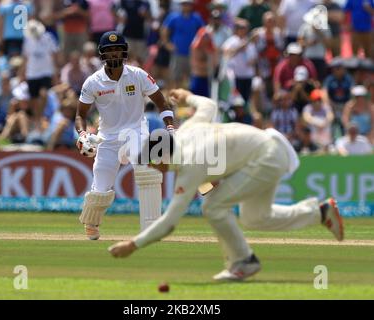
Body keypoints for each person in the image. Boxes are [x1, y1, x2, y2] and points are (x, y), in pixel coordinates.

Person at [108, 88, 344, 281]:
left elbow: (169, 222)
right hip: (267, 150)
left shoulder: (190, 166)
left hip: (266, 157)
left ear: (162, 156)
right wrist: (187, 96)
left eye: (152, 163)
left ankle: (244, 262)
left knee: (212, 207)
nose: (152, 168)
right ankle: (320, 213)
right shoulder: (187, 131)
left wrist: (133, 244)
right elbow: (208, 106)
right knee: (255, 217)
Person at [75, 31, 175, 240]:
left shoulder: (138, 75)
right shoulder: (93, 82)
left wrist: (170, 127)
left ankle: (151, 228)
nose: (114, 54)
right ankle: (91, 223)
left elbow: (161, 102)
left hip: (136, 132)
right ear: (102, 54)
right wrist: (83, 133)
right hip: (107, 138)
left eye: (118, 50)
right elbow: (80, 114)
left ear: (124, 52)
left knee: (147, 170)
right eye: (110, 51)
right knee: (100, 188)